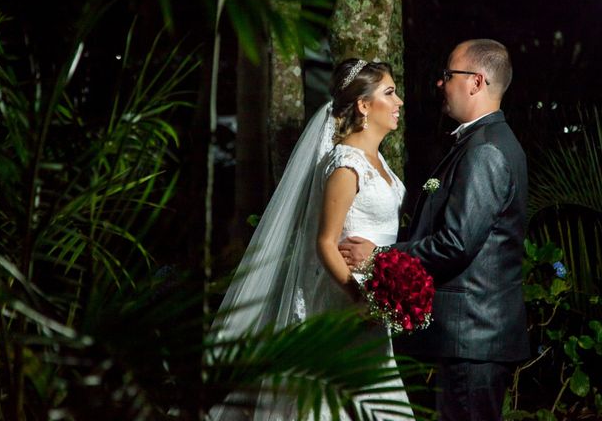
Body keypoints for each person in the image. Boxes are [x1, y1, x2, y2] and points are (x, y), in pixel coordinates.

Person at [209, 58, 414, 420]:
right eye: (390, 93)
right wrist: (358, 297)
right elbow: (325, 242)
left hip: (373, 303)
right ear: (364, 105)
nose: (398, 102)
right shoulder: (346, 164)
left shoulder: (378, 160)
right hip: (343, 301)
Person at [339, 39, 530, 421]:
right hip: (469, 339)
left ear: (475, 82)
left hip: (473, 338)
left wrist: (378, 257)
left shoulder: (486, 150)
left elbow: (456, 243)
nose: (441, 84)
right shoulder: (479, 142)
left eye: (448, 75)